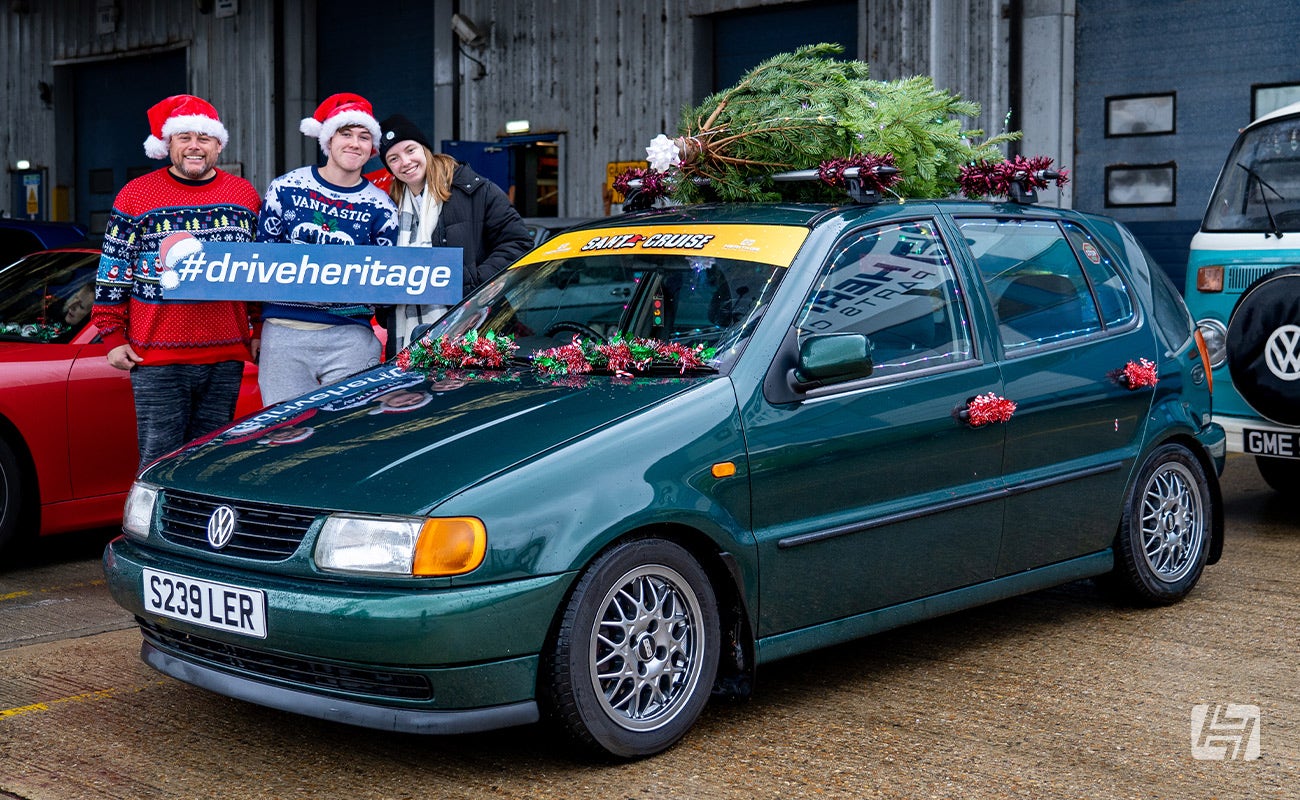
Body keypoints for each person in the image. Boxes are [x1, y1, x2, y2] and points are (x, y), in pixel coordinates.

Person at [91, 94, 261, 469]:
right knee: (159, 461)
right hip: (157, 357)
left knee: (211, 465)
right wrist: (112, 335)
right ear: (168, 144)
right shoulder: (136, 194)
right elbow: (113, 267)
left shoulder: (244, 196)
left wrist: (259, 327)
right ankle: (152, 530)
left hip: (226, 357)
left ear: (219, 144)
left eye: (204, 137)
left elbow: (257, 271)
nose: (195, 146)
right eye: (184, 137)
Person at [256, 93, 398, 405]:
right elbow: (260, 261)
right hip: (285, 334)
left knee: (350, 431)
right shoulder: (286, 188)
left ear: (371, 147)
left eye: (363, 137)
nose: (354, 143)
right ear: (328, 140)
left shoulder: (382, 206)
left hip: (352, 338)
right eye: (345, 134)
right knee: (285, 431)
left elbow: (387, 276)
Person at [376, 114, 532, 355]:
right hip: (407, 337)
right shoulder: (388, 208)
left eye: (410, 150)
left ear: (425, 148)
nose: (405, 162)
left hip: (474, 326)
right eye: (393, 158)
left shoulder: (475, 189)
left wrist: (474, 283)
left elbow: (519, 242)